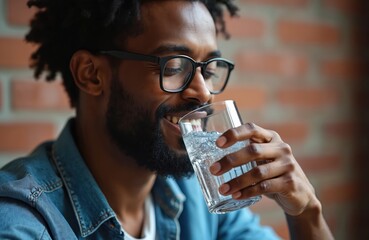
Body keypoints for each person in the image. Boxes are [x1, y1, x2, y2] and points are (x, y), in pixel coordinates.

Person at [0, 0, 334, 239]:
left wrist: (306, 212)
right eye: (174, 67)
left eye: (209, 68)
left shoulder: (196, 197)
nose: (203, 94)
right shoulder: (22, 223)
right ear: (91, 74)